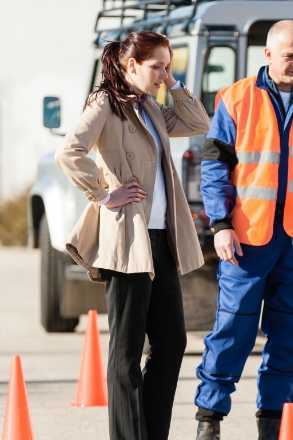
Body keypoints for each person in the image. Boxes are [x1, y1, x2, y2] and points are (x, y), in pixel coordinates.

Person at [193, 20, 293, 440]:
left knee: (288, 337)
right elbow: (214, 169)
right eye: (289, 55)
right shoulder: (235, 98)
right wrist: (221, 224)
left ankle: (272, 425)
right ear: (268, 54)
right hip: (248, 238)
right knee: (232, 330)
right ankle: (209, 421)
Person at [54, 31, 211, 440]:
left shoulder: (152, 108)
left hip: (161, 240)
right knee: (124, 353)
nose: (164, 74)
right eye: (157, 66)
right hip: (126, 242)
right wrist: (104, 194)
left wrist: (174, 84)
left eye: (167, 66)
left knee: (172, 342)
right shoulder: (105, 102)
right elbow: (69, 152)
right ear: (131, 66)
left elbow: (198, 121)